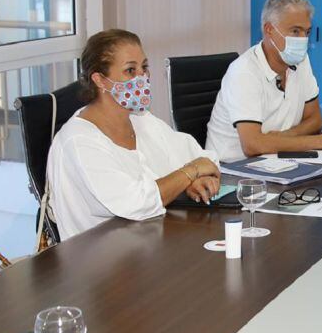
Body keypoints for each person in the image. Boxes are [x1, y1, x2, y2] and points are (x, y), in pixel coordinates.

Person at [47, 30, 223, 240]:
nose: (142, 78)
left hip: (150, 241)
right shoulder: (78, 141)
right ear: (100, 80)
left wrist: (195, 179)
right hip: (101, 260)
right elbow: (136, 203)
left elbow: (203, 158)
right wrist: (191, 171)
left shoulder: (140, 119)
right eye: (130, 70)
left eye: (144, 67)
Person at [206, 0, 322, 161]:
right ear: (269, 29)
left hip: (277, 161)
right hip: (233, 170)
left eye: (307, 32)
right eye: (295, 31)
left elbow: (314, 119)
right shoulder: (244, 72)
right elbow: (253, 145)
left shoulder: (301, 60)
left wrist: (284, 137)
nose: (303, 39)